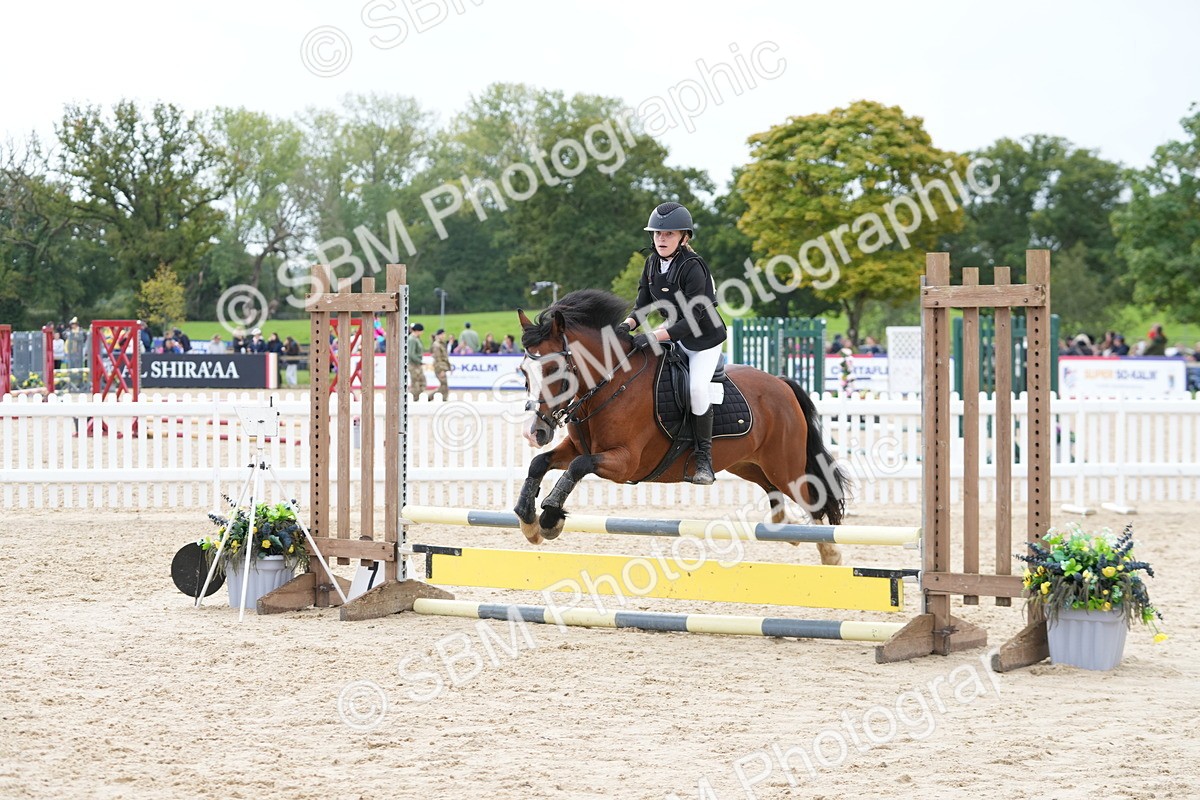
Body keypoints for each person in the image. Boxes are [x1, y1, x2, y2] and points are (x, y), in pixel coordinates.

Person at [621, 201, 726, 485]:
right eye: (657, 234)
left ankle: (704, 459)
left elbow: (692, 319)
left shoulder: (693, 267)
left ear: (684, 237)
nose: (661, 239)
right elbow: (642, 306)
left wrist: (653, 336)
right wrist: (625, 327)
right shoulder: (652, 263)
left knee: (696, 388)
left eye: (668, 234)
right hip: (672, 335)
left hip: (703, 339)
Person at [428, 328, 452, 401]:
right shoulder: (437, 345)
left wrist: (449, 367)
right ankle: (430, 397)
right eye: (443, 334)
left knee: (444, 385)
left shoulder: (441, 344)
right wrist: (441, 369)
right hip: (440, 367)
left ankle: (443, 398)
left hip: (443, 367)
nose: (444, 336)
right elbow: (438, 358)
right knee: (444, 385)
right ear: (439, 335)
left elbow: (445, 358)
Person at [407, 323, 426, 401]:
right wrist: (419, 361)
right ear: (418, 331)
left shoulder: (416, 338)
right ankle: (413, 399)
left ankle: (416, 398)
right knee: (416, 383)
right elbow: (411, 353)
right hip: (414, 364)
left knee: (421, 382)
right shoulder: (412, 339)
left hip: (417, 364)